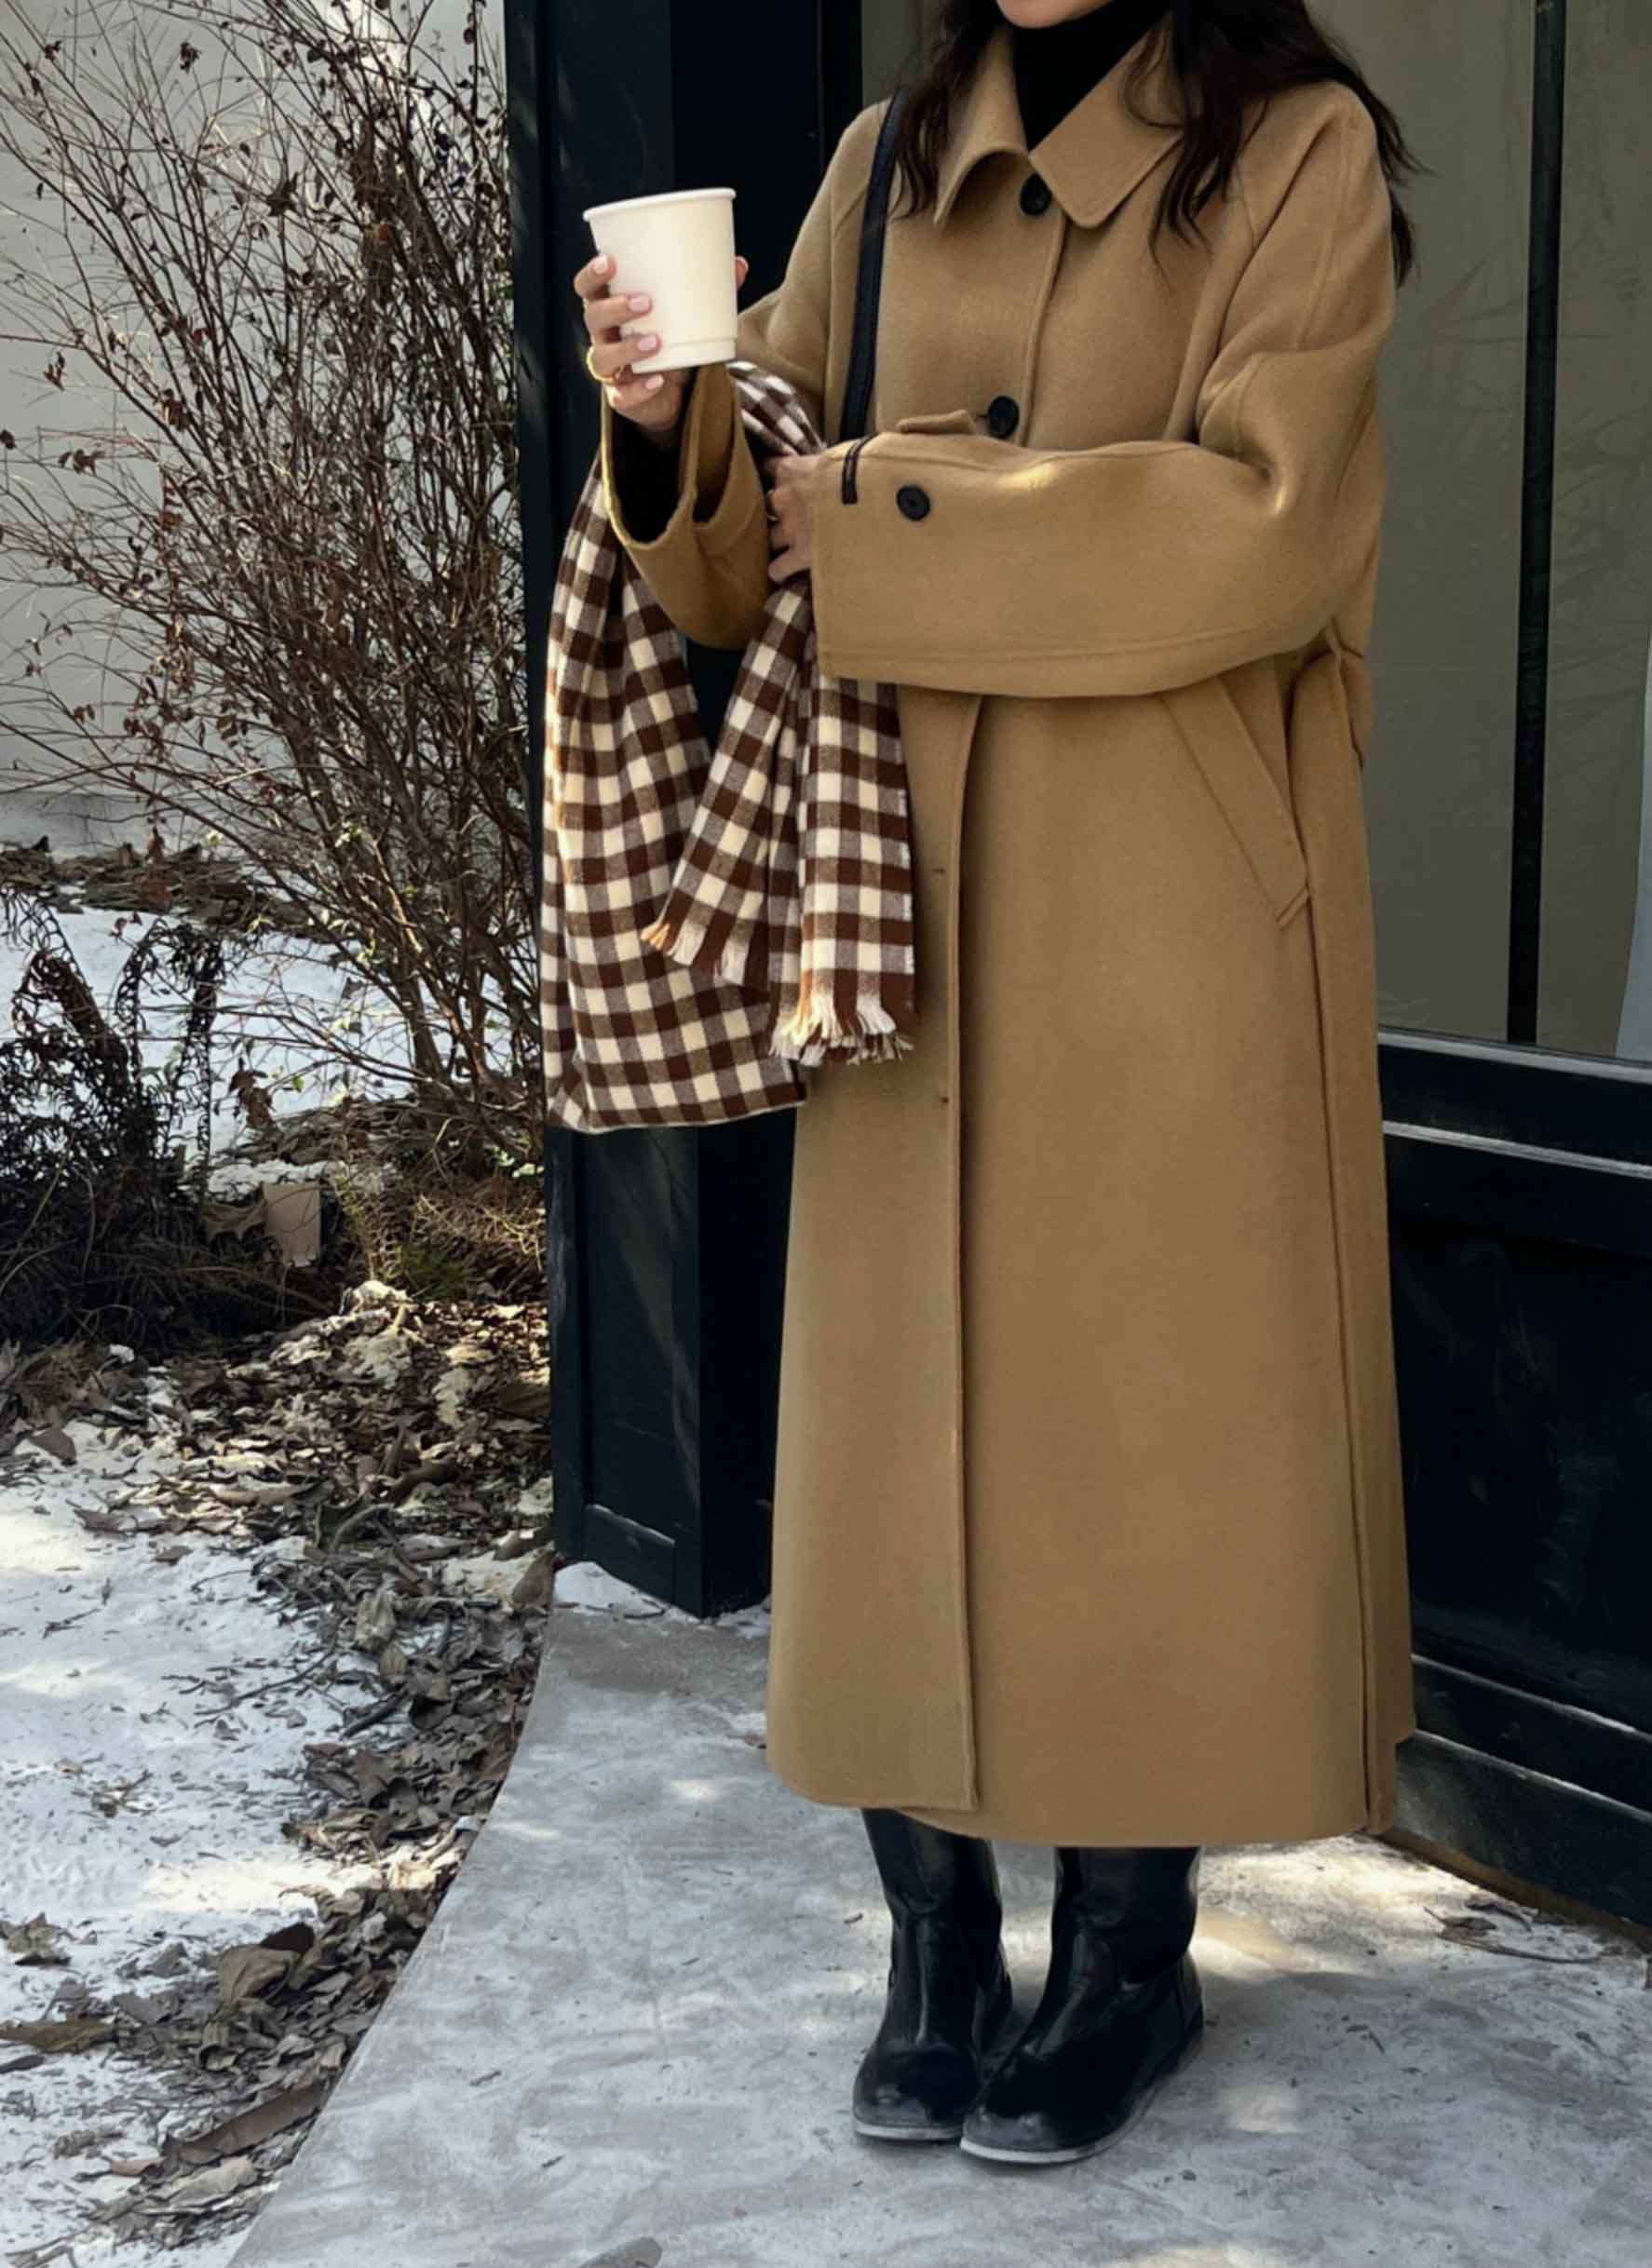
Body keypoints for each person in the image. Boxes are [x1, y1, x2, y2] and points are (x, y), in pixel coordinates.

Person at [572, 0, 1420, 2169]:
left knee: (1137, 1429)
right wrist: (667, 425)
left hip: (1165, 913)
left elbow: (1263, 526)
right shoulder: (880, 163)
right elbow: (740, 571)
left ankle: (1128, 1957)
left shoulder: (1293, 154)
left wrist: (882, 509)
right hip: (900, 902)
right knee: (900, 1422)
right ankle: (933, 1945)